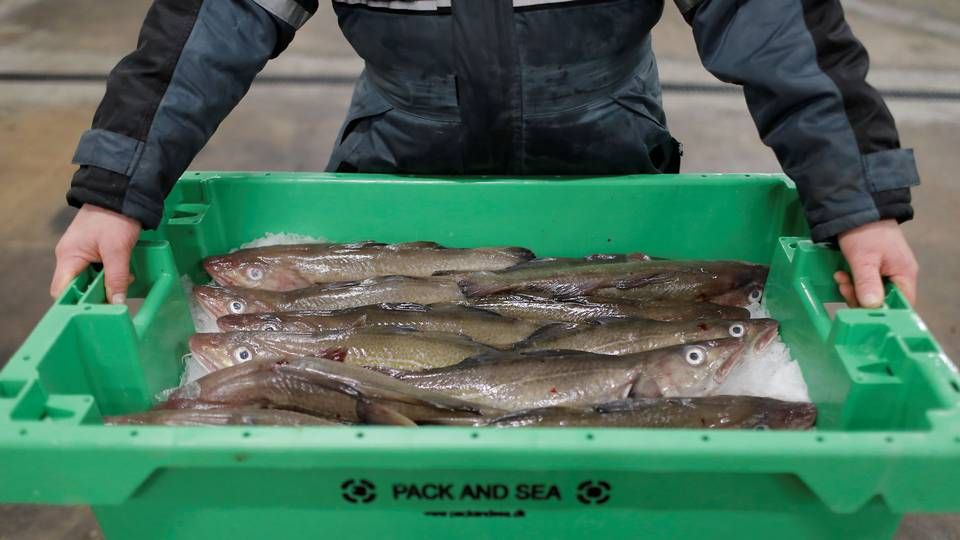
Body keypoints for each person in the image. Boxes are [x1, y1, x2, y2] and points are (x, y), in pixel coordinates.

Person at [51, 0, 919, 309]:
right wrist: (118, 188)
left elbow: (778, 26)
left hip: (609, 158)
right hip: (397, 166)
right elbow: (211, 22)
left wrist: (859, 201)